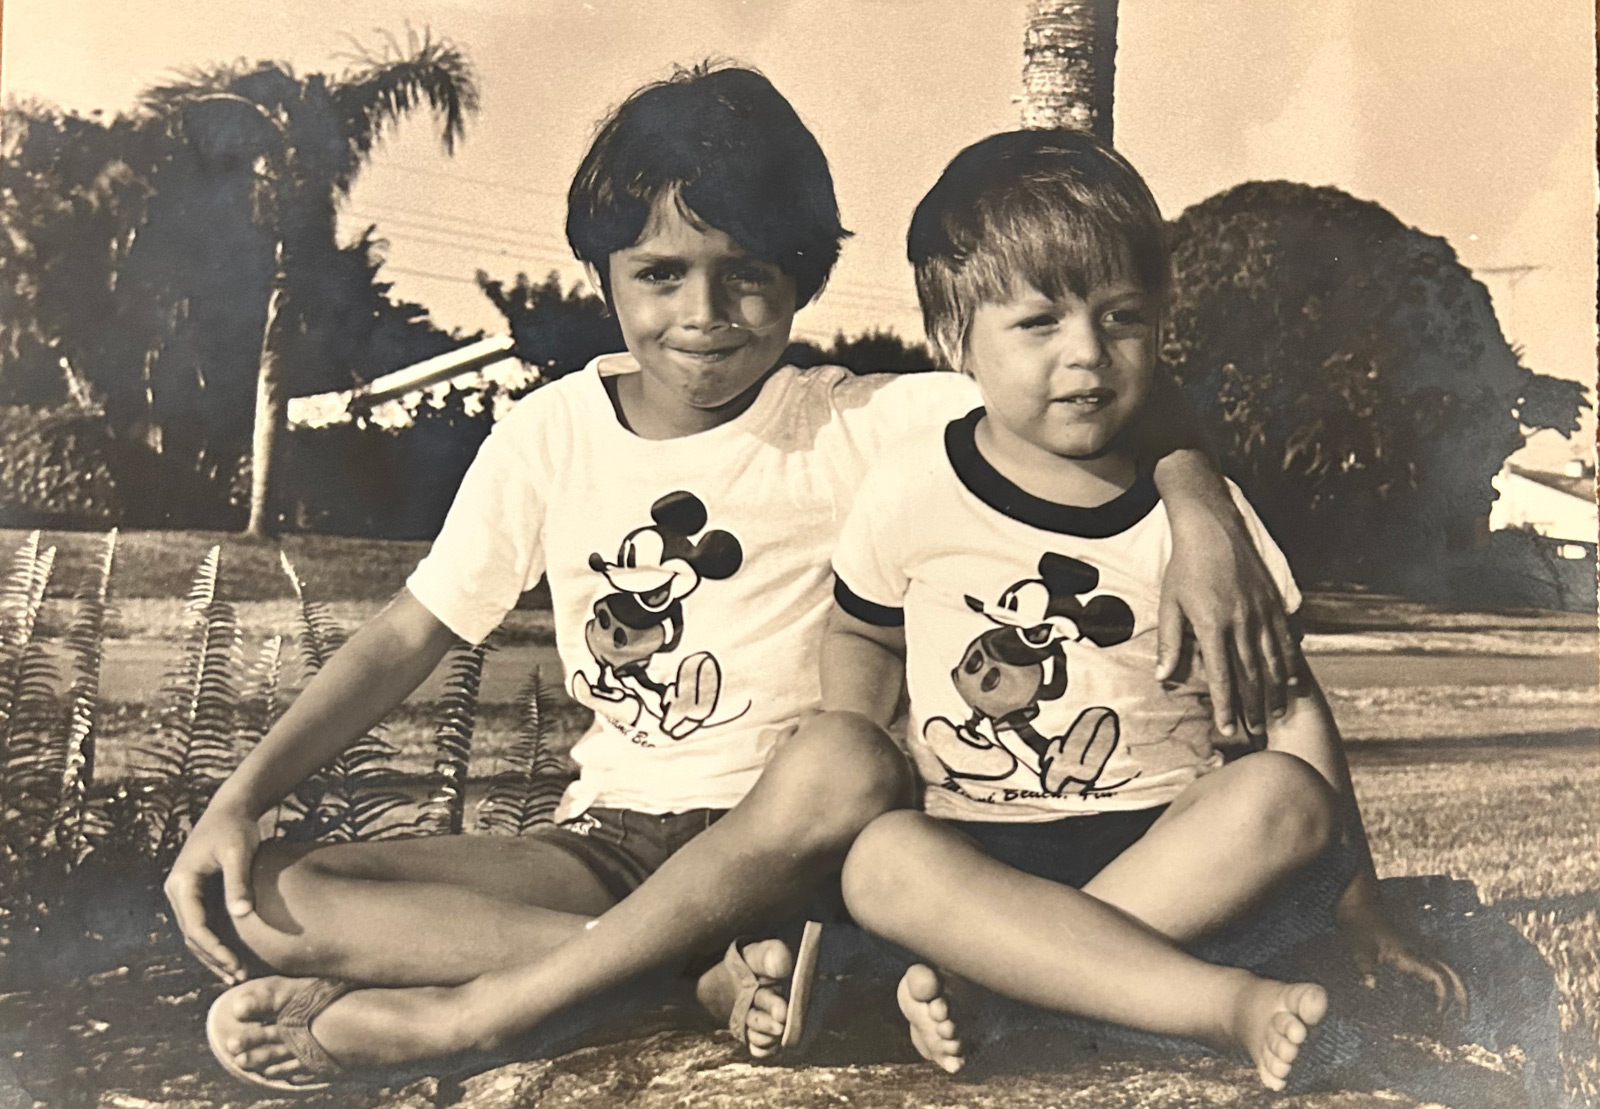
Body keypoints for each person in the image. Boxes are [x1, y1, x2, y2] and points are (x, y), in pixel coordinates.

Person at [168, 66, 1300, 1088]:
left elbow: (1091, 385)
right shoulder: (548, 433)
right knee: (273, 895)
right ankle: (691, 979)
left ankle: (486, 1008)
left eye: (745, 277)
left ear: (801, 278)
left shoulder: (857, 417)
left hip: (795, 837)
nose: (702, 316)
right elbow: (407, 635)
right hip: (610, 838)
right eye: (659, 274)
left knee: (846, 749)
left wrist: (1197, 506)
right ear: (603, 270)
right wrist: (239, 798)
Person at [784, 127, 1467, 1090]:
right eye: (1038, 324)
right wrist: (857, 733)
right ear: (953, 338)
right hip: (978, 850)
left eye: (1122, 317)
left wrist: (1361, 908)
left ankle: (1014, 993)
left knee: (1283, 798)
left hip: (1165, 852)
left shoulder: (1201, 523)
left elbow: (1288, 703)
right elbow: (861, 628)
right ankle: (1210, 1001)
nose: (1089, 355)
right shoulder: (913, 486)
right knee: (883, 859)